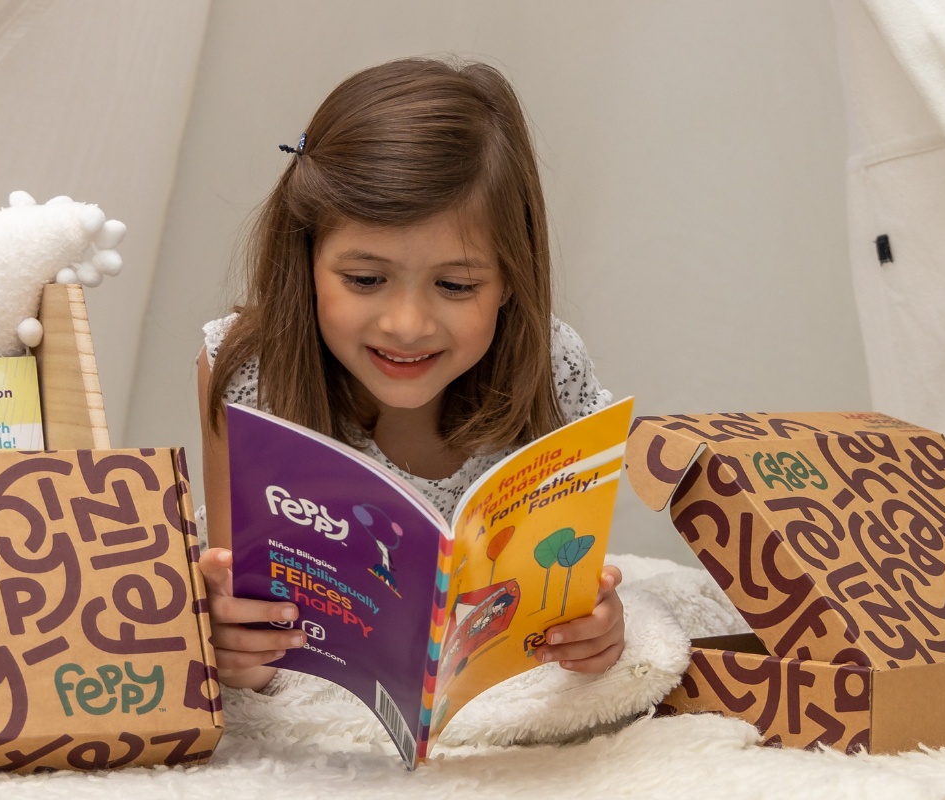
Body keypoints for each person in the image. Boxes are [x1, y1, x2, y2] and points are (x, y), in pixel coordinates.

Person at [196, 57, 626, 692]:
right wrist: (232, 644)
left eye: (455, 285)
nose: (406, 324)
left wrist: (596, 635)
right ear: (307, 256)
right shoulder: (245, 369)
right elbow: (239, 606)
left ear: (512, 278)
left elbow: (569, 605)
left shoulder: (552, 369)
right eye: (365, 280)